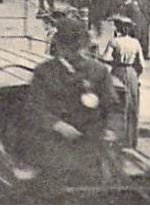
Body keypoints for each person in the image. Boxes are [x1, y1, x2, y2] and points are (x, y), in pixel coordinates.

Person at [28, 14, 117, 195]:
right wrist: (57, 125)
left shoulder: (98, 71)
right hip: (55, 143)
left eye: (79, 46)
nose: (76, 52)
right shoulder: (45, 72)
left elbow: (113, 106)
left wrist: (110, 130)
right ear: (60, 46)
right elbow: (35, 108)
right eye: (70, 46)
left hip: (92, 144)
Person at [102, 15, 144, 148]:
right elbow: (141, 64)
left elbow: (106, 58)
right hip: (131, 74)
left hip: (118, 72)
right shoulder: (135, 43)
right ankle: (130, 140)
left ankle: (116, 138)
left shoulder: (114, 42)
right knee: (132, 107)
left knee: (117, 105)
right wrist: (136, 75)